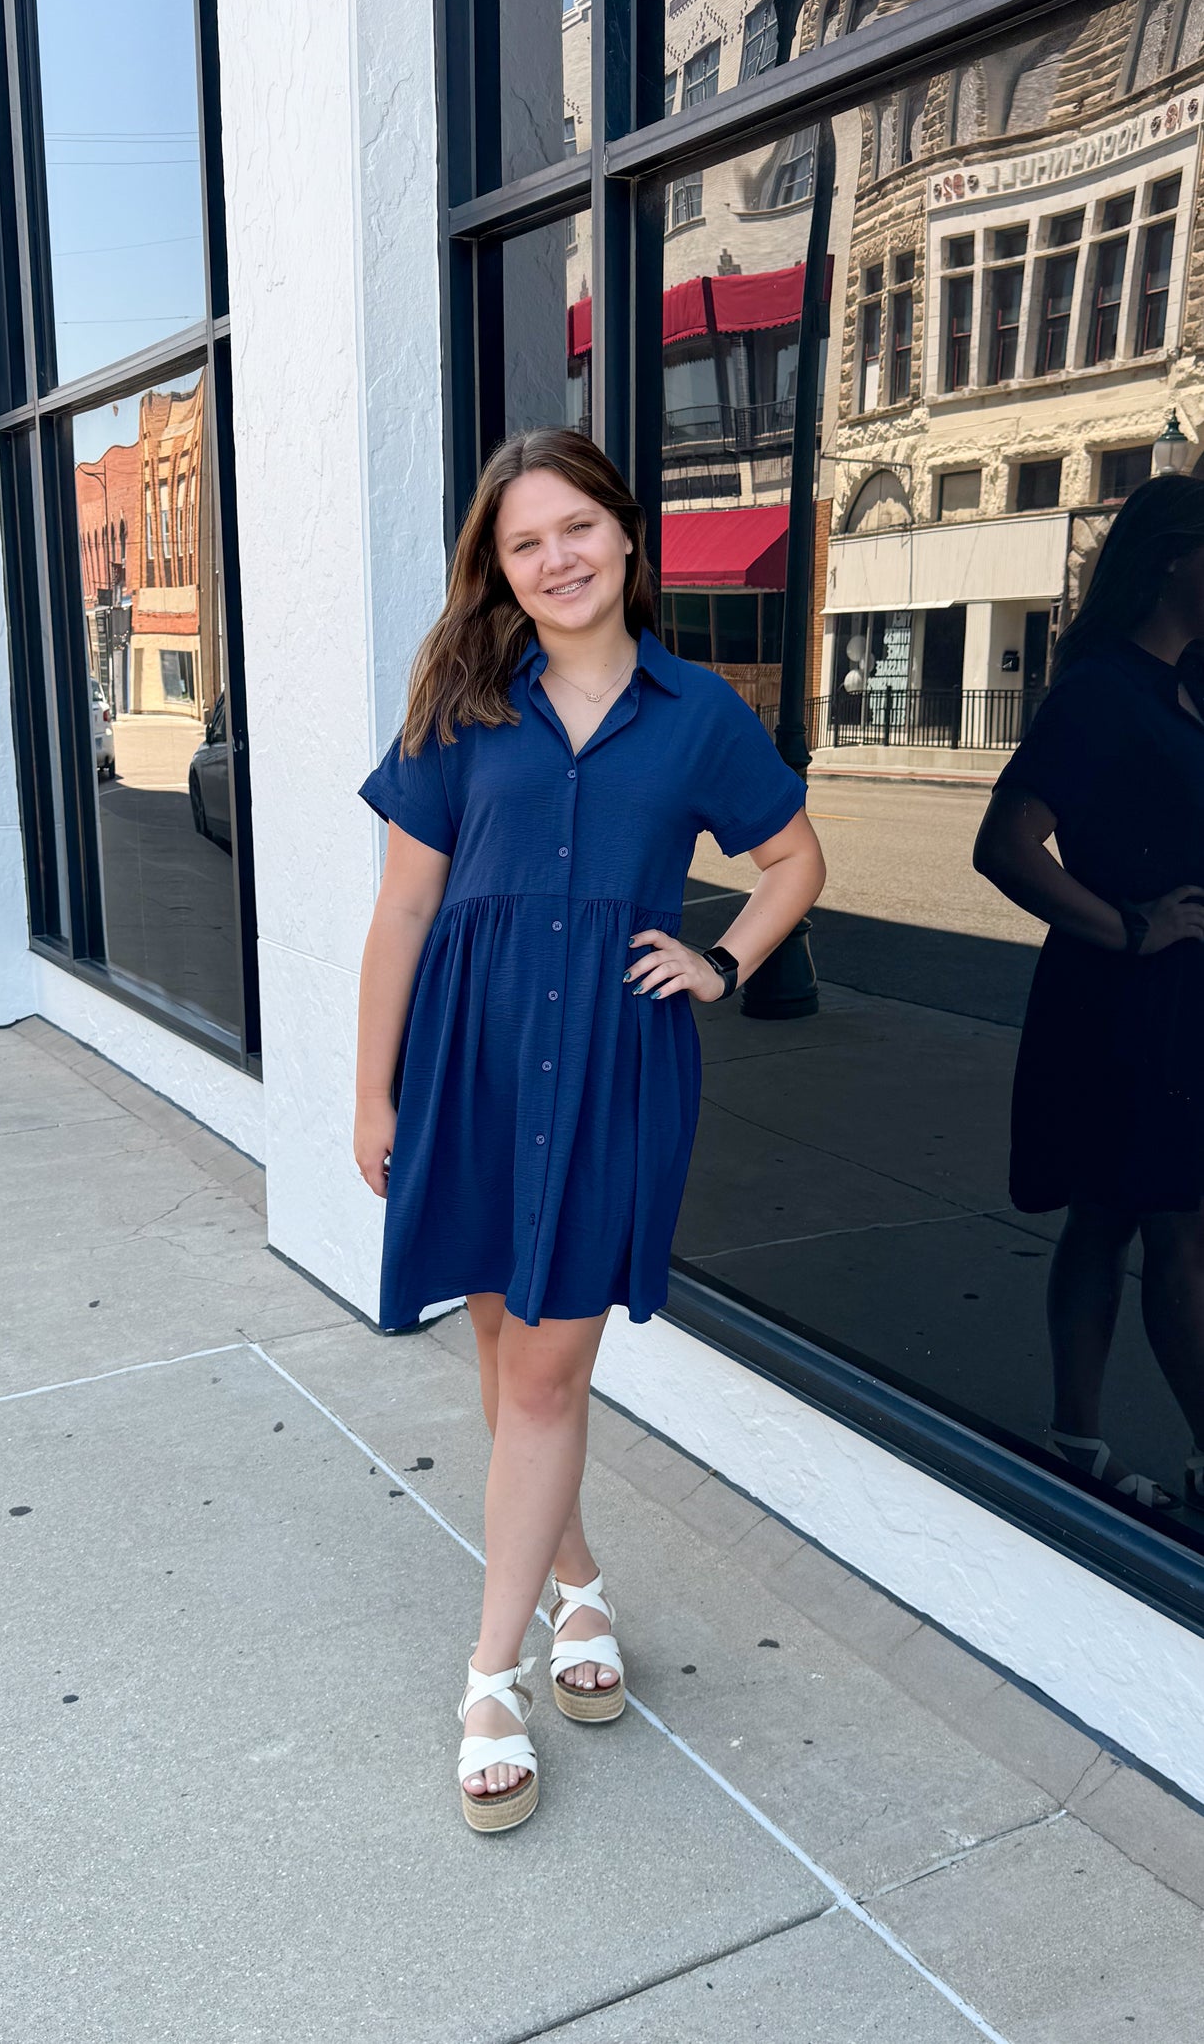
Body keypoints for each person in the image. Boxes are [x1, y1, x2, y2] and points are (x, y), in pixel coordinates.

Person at [353, 427, 825, 1833]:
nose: (555, 558)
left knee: (551, 1365)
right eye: (523, 541)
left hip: (614, 1070)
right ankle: (576, 1588)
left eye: (576, 528)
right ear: (497, 567)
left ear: (627, 535)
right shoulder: (463, 704)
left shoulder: (698, 713)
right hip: (474, 1063)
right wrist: (371, 1090)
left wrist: (722, 957)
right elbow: (402, 911)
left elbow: (793, 859)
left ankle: (490, 1674)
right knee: (506, 1345)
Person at [974, 471, 1204, 1515]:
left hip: (1173, 1002)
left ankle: (1075, 1437)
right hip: (1127, 1001)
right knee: (1167, 1227)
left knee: (1110, 1216)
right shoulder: (1099, 691)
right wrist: (1129, 926)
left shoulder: (1181, 683)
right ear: (1171, 563)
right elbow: (1005, 845)